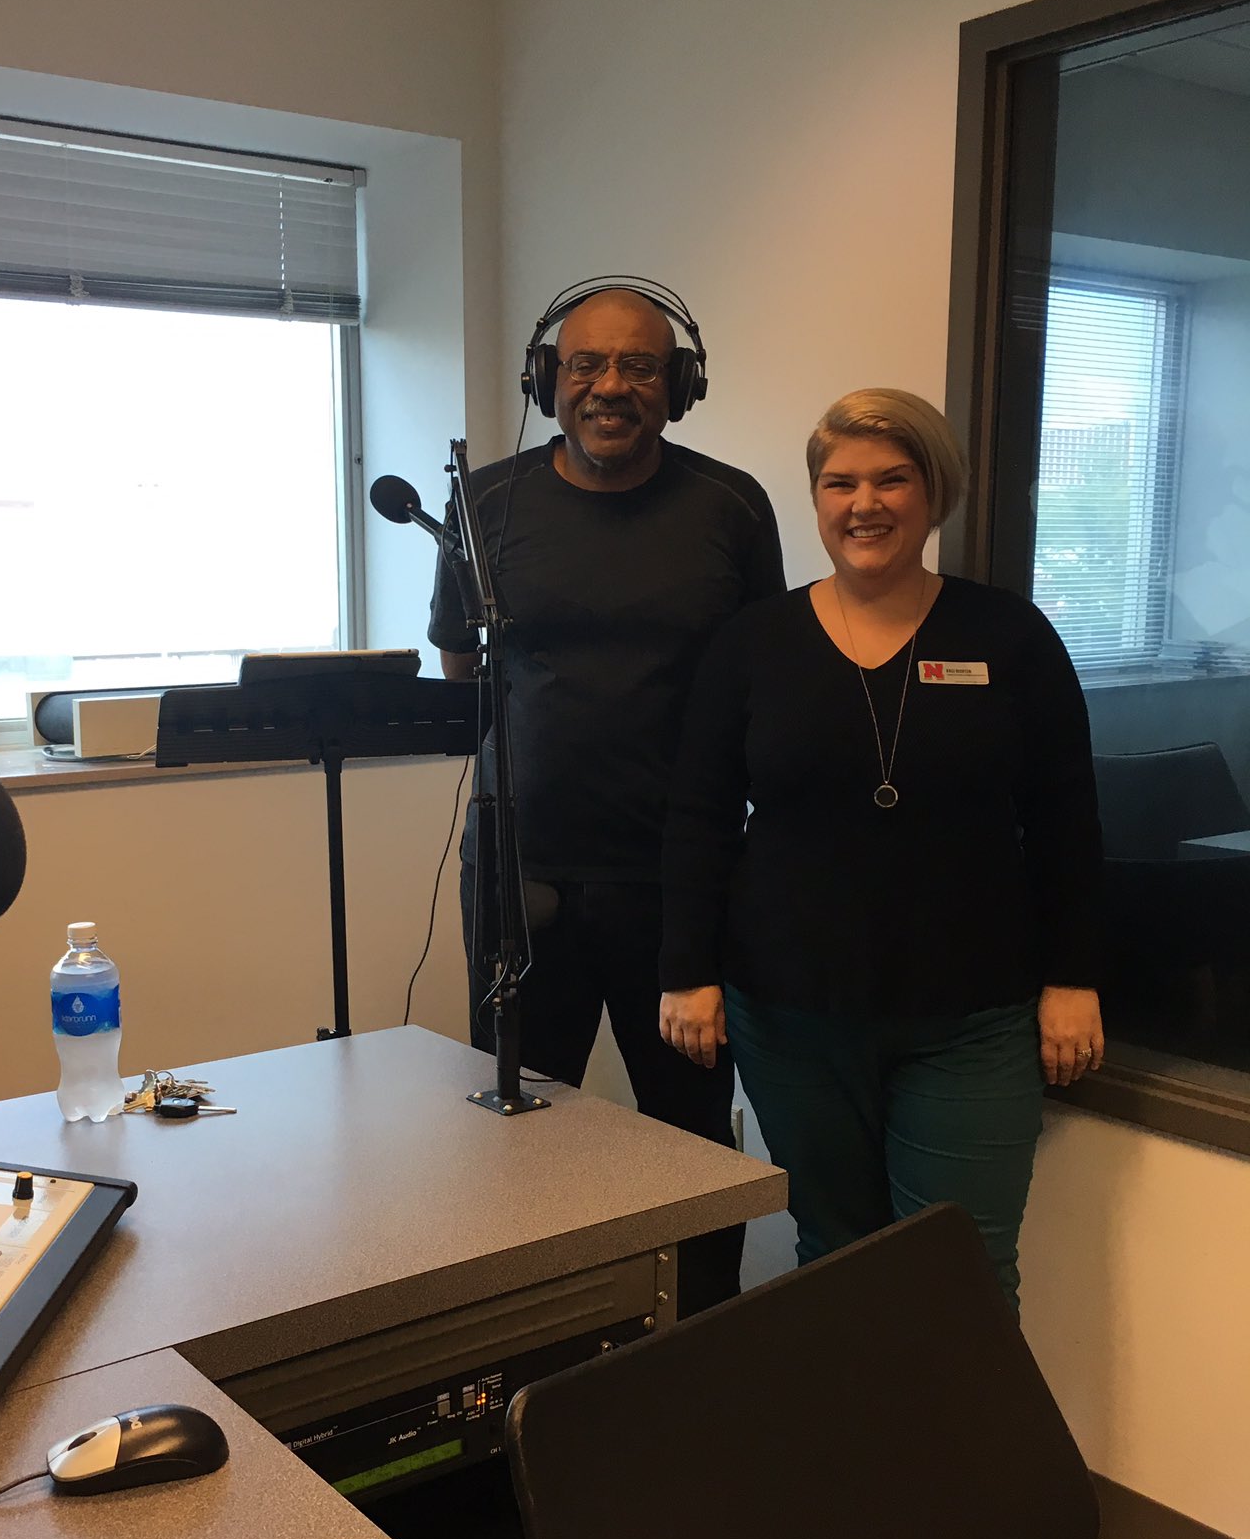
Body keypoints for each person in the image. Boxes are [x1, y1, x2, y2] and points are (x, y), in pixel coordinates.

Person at [659, 388, 1104, 1310]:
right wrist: (685, 972)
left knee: (963, 1272)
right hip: (788, 1016)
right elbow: (700, 815)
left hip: (971, 1019)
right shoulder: (753, 643)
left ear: (934, 491)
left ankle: (965, 1461)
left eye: (892, 479)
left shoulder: (1009, 637)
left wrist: (1075, 977)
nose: (865, 503)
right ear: (817, 501)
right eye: (841, 482)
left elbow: (1067, 820)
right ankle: (850, 1456)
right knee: (834, 1255)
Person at [429, 282, 785, 1312]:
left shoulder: (731, 505)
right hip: (518, 873)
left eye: (638, 365)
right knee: (518, 1127)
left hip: (678, 883)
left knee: (691, 1137)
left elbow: (759, 677)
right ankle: (539, 1346)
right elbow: (462, 664)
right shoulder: (485, 501)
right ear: (548, 379)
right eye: (587, 364)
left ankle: (698, 1350)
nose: (610, 386)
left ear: (679, 384)